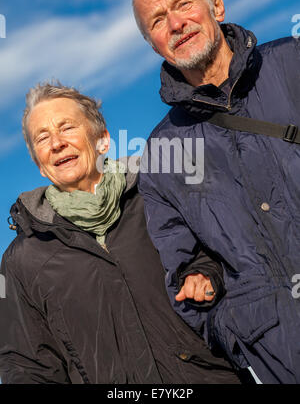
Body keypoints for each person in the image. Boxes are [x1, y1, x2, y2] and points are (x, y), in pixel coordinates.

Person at [0, 82, 242, 384]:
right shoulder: (23, 260)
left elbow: (226, 255)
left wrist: (208, 276)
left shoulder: (160, 196)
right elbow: (27, 367)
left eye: (67, 128)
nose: (56, 143)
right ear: (39, 164)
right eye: (42, 138)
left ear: (102, 140)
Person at [133, 0, 300, 384]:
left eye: (182, 4)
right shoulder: (160, 155)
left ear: (216, 6)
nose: (175, 23)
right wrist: (239, 324)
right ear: (153, 43)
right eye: (157, 20)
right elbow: (186, 269)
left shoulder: (293, 64)